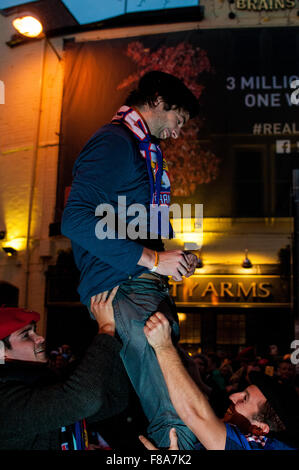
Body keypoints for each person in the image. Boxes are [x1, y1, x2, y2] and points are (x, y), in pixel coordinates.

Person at [61, 71, 200, 449]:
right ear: (158, 100)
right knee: (175, 410)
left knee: (174, 400)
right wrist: (155, 259)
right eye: (178, 119)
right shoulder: (114, 142)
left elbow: (130, 223)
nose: (178, 131)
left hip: (137, 286)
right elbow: (74, 219)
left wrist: (167, 260)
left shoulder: (139, 149)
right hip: (124, 285)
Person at [141, 312, 299, 450]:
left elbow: (196, 414)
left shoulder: (253, 446)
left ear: (260, 428)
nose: (232, 396)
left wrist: (163, 346)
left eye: (244, 399)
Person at [0, 287, 130, 450]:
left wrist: (116, 333)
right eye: (26, 335)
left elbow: (113, 400)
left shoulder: (39, 383)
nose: (40, 338)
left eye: (35, 331)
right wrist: (106, 330)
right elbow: (83, 400)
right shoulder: (5, 403)